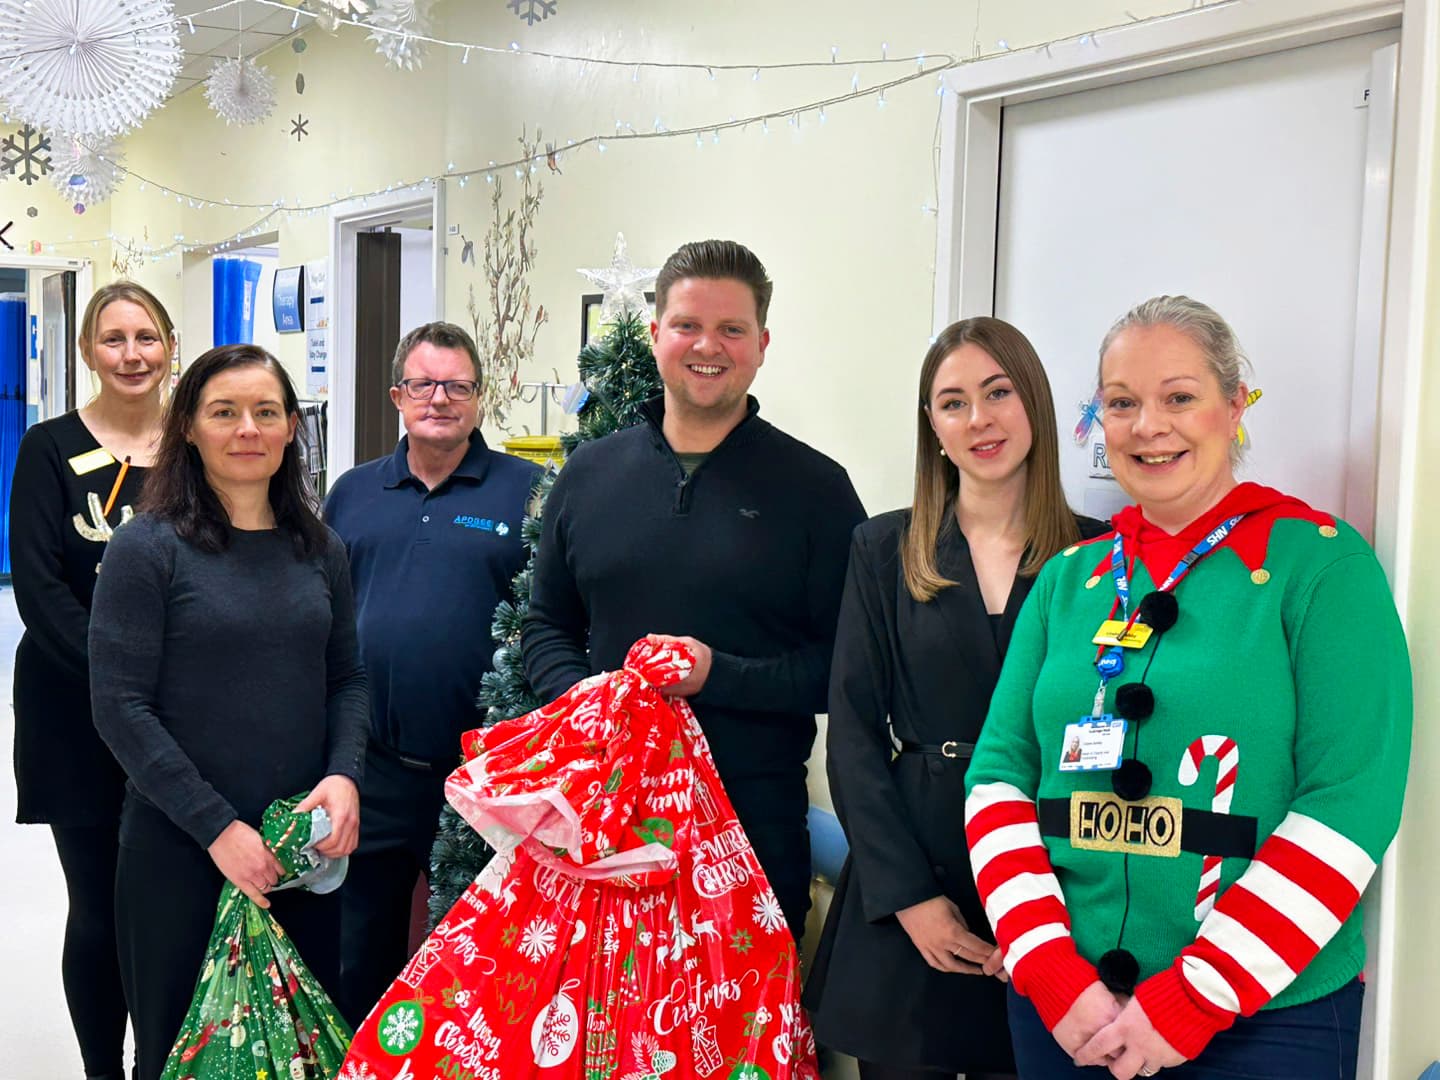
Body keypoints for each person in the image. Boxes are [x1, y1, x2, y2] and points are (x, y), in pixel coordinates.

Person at [964, 296, 1411, 1080]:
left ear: (1234, 406)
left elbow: (1349, 804)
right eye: (1122, 403)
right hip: (1069, 1017)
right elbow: (998, 775)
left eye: (1179, 397)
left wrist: (1195, 998)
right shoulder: (1070, 580)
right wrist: (1050, 972)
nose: (1148, 426)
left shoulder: (1323, 569)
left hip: (1263, 1020)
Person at [522, 239, 866, 939]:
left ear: (762, 343)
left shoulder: (816, 491)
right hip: (604, 819)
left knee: (744, 1046)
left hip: (751, 831)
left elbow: (846, 667)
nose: (708, 346)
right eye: (687, 326)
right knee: (604, 1042)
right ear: (655, 335)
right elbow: (546, 623)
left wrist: (717, 676)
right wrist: (588, 703)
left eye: (732, 329)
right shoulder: (588, 475)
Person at [804, 317, 1106, 1080]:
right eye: (953, 402)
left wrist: (1050, 912)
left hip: (1055, 872)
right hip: (916, 865)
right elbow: (855, 738)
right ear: (932, 427)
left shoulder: (1100, 556)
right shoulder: (884, 548)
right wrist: (911, 901)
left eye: (998, 392)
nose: (979, 419)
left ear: (1033, 400)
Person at [88, 344, 367, 1080]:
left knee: (303, 1053)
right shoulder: (146, 549)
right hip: (178, 852)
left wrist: (344, 776)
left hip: (299, 854)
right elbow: (119, 707)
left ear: (289, 429)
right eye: (224, 412)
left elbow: (348, 678)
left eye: (266, 412)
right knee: (177, 1053)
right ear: (188, 428)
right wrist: (216, 829)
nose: (247, 428)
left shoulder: (321, 549)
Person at [324, 321, 539, 1026]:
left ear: (481, 399)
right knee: (363, 960)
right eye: (423, 383)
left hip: (489, 777)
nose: (439, 398)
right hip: (375, 772)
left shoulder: (528, 494)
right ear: (397, 394)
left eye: (457, 386)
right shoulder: (353, 494)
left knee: (482, 965)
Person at [9, 282, 175, 1080]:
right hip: (72, 713)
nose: (132, 353)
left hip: (181, 714)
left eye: (146, 336)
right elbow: (40, 591)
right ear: (87, 352)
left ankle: (163, 1062)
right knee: (102, 906)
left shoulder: (200, 445)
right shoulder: (47, 447)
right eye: (114, 339)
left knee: (166, 905)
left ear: (170, 345)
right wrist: (121, 681)